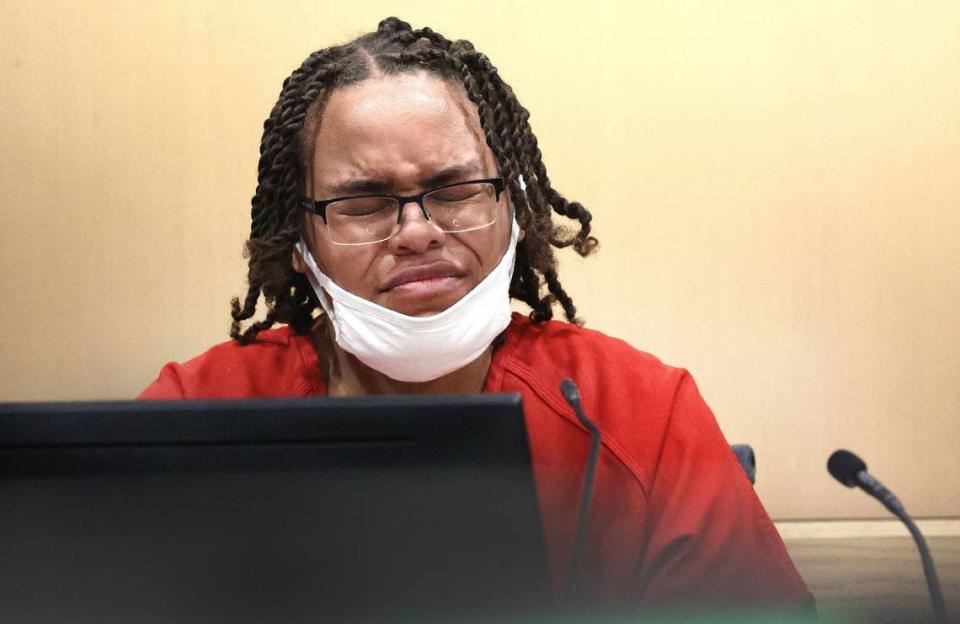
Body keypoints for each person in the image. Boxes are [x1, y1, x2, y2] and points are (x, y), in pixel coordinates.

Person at [141, 17, 812, 612]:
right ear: (297, 240)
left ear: (513, 206)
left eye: (455, 189)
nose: (416, 232)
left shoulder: (642, 414)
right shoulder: (193, 414)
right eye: (364, 202)